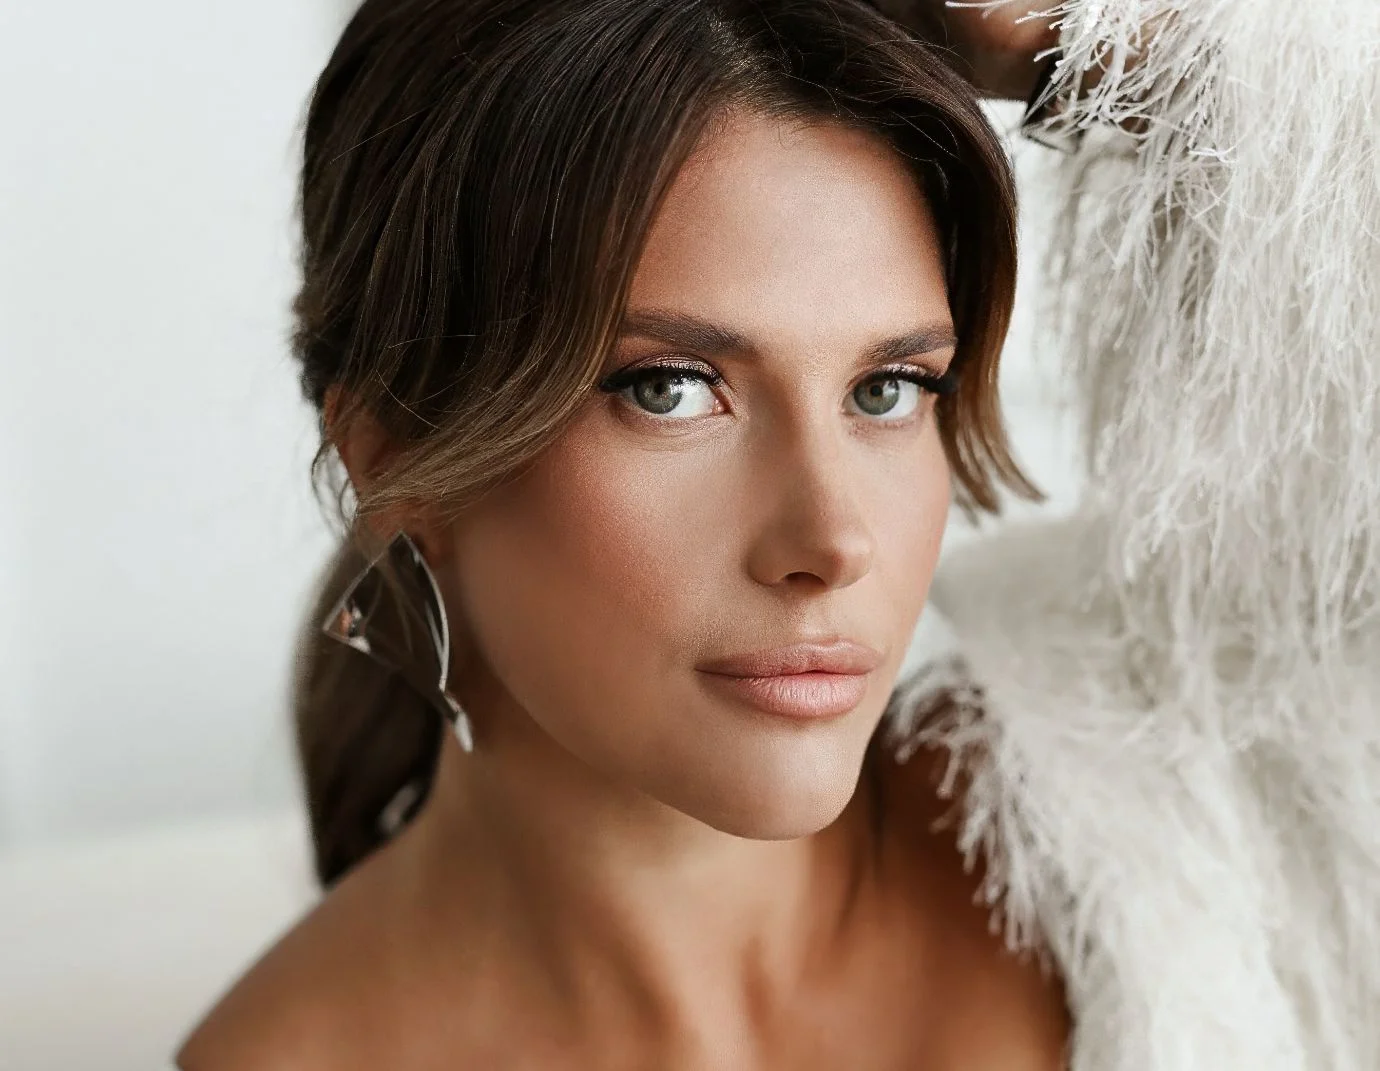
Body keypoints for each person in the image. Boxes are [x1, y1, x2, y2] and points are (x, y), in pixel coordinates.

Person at [176, 1, 1070, 1067]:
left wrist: (1109, 56)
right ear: (392, 458)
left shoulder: (1114, 815)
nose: (834, 542)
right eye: (669, 389)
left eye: (886, 388)